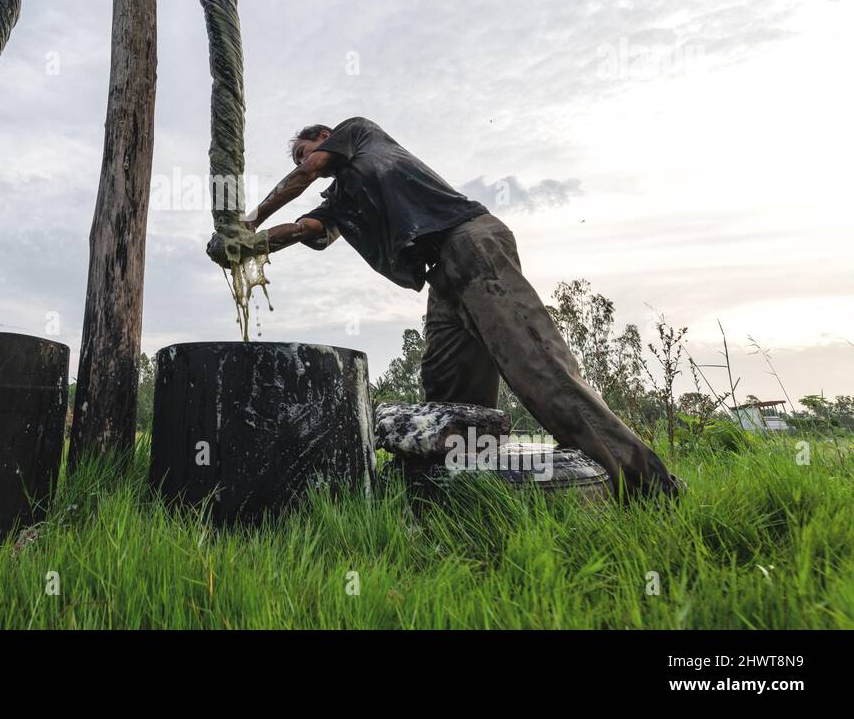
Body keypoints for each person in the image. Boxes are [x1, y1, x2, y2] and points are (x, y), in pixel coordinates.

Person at [208, 116, 683, 500]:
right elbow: (304, 228)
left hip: (472, 243)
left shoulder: (359, 132)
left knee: (538, 368)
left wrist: (249, 219)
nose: (304, 161)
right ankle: (459, 500)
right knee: (450, 397)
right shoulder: (341, 204)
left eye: (304, 151)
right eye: (298, 157)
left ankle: (650, 488)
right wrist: (244, 246)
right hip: (441, 278)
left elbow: (303, 177)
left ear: (326, 139)